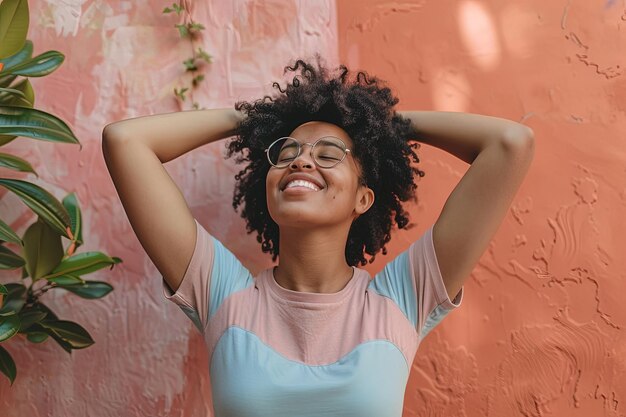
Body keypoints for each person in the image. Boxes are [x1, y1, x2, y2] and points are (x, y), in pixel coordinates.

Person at [101, 54, 534, 417]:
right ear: (267, 186)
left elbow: (510, 143)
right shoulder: (221, 294)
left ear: (363, 198)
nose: (301, 161)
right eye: (285, 151)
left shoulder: (402, 299)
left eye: (329, 154)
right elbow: (125, 141)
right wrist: (256, 119)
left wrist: (383, 128)